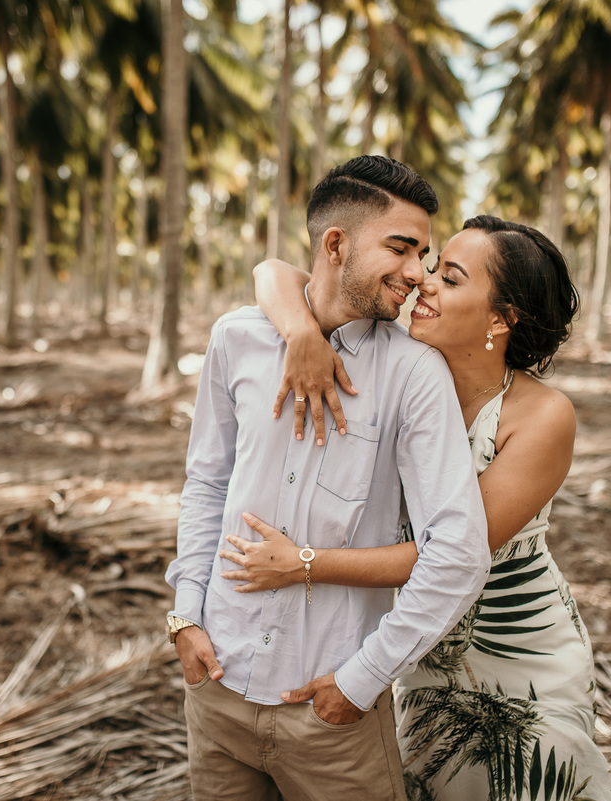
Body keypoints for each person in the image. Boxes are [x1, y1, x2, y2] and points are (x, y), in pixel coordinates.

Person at [222, 215, 611, 801]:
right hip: (420, 642)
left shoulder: (542, 416)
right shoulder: (400, 374)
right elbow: (272, 272)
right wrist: (302, 333)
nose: (424, 283)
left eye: (451, 278)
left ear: (501, 319)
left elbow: (451, 552)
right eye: (432, 268)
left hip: (519, 652)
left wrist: (303, 563)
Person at [164, 156, 490, 801]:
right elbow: (207, 483)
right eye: (400, 248)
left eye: (424, 254)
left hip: (330, 713)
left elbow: (456, 552)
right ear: (335, 245)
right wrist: (186, 615)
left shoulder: (413, 373)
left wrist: (361, 681)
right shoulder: (236, 338)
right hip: (217, 687)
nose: (417, 273)